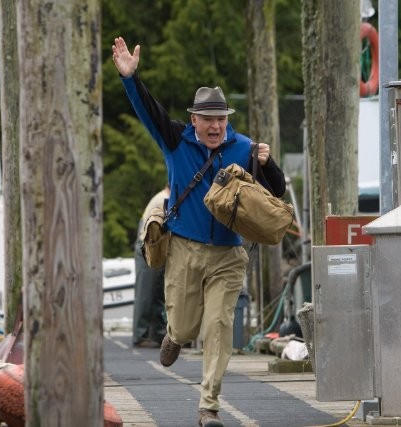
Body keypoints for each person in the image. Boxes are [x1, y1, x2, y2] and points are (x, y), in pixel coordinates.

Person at [112, 36, 286, 427]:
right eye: (208, 119)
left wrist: (269, 163)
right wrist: (130, 79)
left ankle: (209, 406)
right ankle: (174, 332)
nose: (215, 126)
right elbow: (148, 111)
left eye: (221, 119)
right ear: (194, 120)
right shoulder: (175, 140)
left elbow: (276, 194)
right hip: (185, 251)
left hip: (229, 254)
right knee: (189, 327)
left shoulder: (244, 147)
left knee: (219, 326)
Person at [132, 185, 170, 348]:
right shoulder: (163, 199)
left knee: (156, 293)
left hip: (152, 246)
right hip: (147, 247)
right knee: (146, 295)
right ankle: (141, 335)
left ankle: (156, 334)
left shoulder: (161, 196)